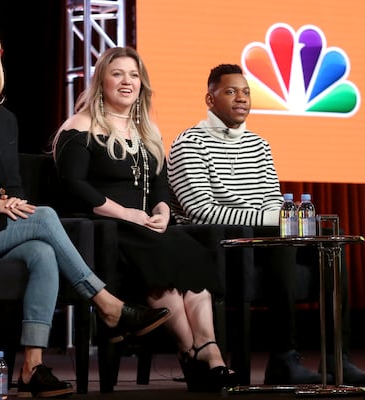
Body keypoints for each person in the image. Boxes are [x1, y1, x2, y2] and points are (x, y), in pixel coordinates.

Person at [0, 27, 171, 398]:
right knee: (47, 216)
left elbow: (14, 183)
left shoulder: (6, 119)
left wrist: (14, 201)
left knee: (43, 252)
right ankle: (108, 304)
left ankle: (32, 366)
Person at [167, 63, 365, 386]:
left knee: (329, 239)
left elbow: (272, 200)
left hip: (262, 235)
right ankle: (284, 356)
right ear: (210, 99)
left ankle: (339, 356)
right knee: (280, 231)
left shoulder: (259, 144)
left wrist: (277, 220)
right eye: (230, 91)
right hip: (218, 245)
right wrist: (272, 223)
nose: (241, 98)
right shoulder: (189, 142)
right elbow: (201, 211)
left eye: (246, 92)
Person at [50, 46, 237, 392]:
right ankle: (190, 349)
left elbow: (160, 188)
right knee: (160, 256)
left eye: (133, 75)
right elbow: (74, 186)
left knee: (191, 252)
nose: (127, 81)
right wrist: (125, 213)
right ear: (101, 81)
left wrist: (162, 212)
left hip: (144, 226)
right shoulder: (80, 127)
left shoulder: (146, 131)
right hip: (106, 228)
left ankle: (210, 352)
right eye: (117, 74)